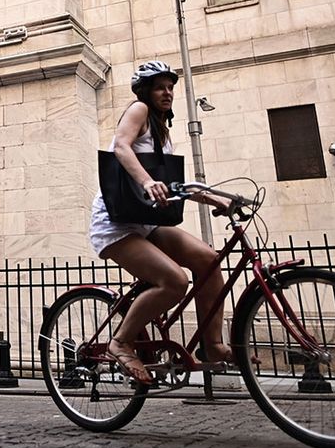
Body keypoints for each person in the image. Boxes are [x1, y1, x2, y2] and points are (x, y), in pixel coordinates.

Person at [90, 60, 230, 384]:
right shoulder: (138, 110)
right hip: (116, 222)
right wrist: (146, 181)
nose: (167, 93)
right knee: (176, 281)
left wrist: (219, 199)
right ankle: (121, 342)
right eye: (160, 87)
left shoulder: (162, 133)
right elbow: (122, 147)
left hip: (145, 220)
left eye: (170, 87)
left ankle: (214, 345)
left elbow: (174, 185)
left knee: (209, 261)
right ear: (146, 91)